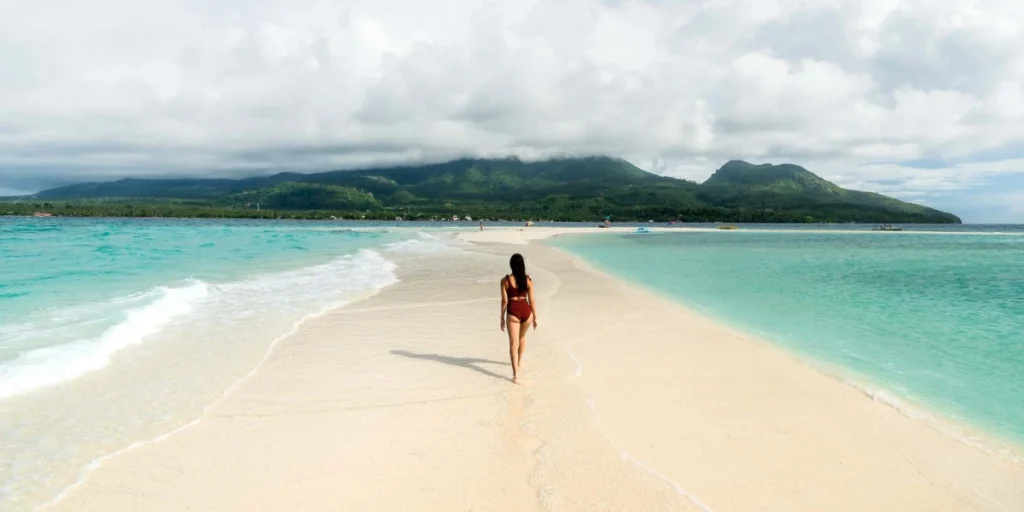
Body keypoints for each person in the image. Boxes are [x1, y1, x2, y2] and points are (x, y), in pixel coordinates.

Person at [500, 253, 537, 384]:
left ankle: (516, 375)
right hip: (527, 313)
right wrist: (535, 317)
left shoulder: (505, 281)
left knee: (513, 343)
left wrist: (501, 317)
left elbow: (505, 301)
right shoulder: (528, 280)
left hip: (513, 313)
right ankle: (520, 362)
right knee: (522, 338)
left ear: (511, 265)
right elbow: (531, 300)